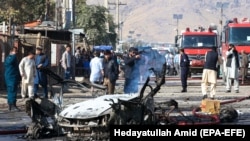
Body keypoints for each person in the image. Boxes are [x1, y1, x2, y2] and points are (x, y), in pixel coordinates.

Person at [4, 47, 21, 111]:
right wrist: (13, 55)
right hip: (11, 77)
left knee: (11, 90)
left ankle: (10, 104)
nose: (16, 53)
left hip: (12, 76)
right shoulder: (11, 58)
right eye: (15, 51)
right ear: (11, 51)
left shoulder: (10, 58)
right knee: (12, 90)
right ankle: (12, 104)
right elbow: (10, 62)